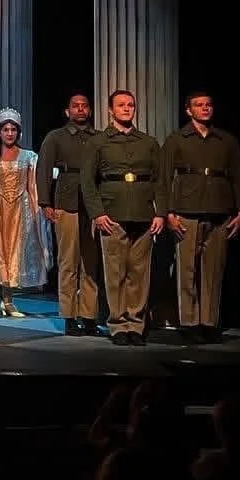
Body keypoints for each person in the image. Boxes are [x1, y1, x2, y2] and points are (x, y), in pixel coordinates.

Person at [79, 89, 167, 346]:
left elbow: (160, 182)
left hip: (142, 213)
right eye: (121, 105)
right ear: (110, 110)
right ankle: (118, 324)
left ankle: (136, 325)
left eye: (130, 105)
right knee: (115, 273)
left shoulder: (148, 142)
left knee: (139, 274)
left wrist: (160, 212)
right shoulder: (98, 142)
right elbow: (88, 182)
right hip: (112, 213)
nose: (127, 109)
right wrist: (97, 214)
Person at [160, 91, 240, 343]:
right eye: (199, 105)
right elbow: (164, 179)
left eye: (208, 104)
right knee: (187, 270)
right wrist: (167, 212)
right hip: (186, 211)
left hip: (220, 211)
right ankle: (189, 322)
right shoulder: (177, 140)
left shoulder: (226, 141)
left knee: (213, 271)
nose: (205, 108)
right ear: (189, 110)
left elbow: (239, 176)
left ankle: (209, 322)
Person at [0, 108, 50, 317]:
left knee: (15, 252)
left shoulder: (29, 157)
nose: (10, 133)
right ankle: (6, 300)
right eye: (6, 129)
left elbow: (43, 174)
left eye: (13, 129)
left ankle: (8, 299)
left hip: (20, 212)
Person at [37, 92, 100, 335]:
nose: (81, 109)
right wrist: (45, 202)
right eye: (76, 106)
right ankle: (69, 314)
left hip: (94, 205)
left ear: (90, 110)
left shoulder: (99, 138)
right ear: (67, 111)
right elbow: (43, 169)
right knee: (68, 261)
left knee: (91, 262)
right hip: (66, 200)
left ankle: (89, 314)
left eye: (85, 106)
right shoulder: (56, 137)